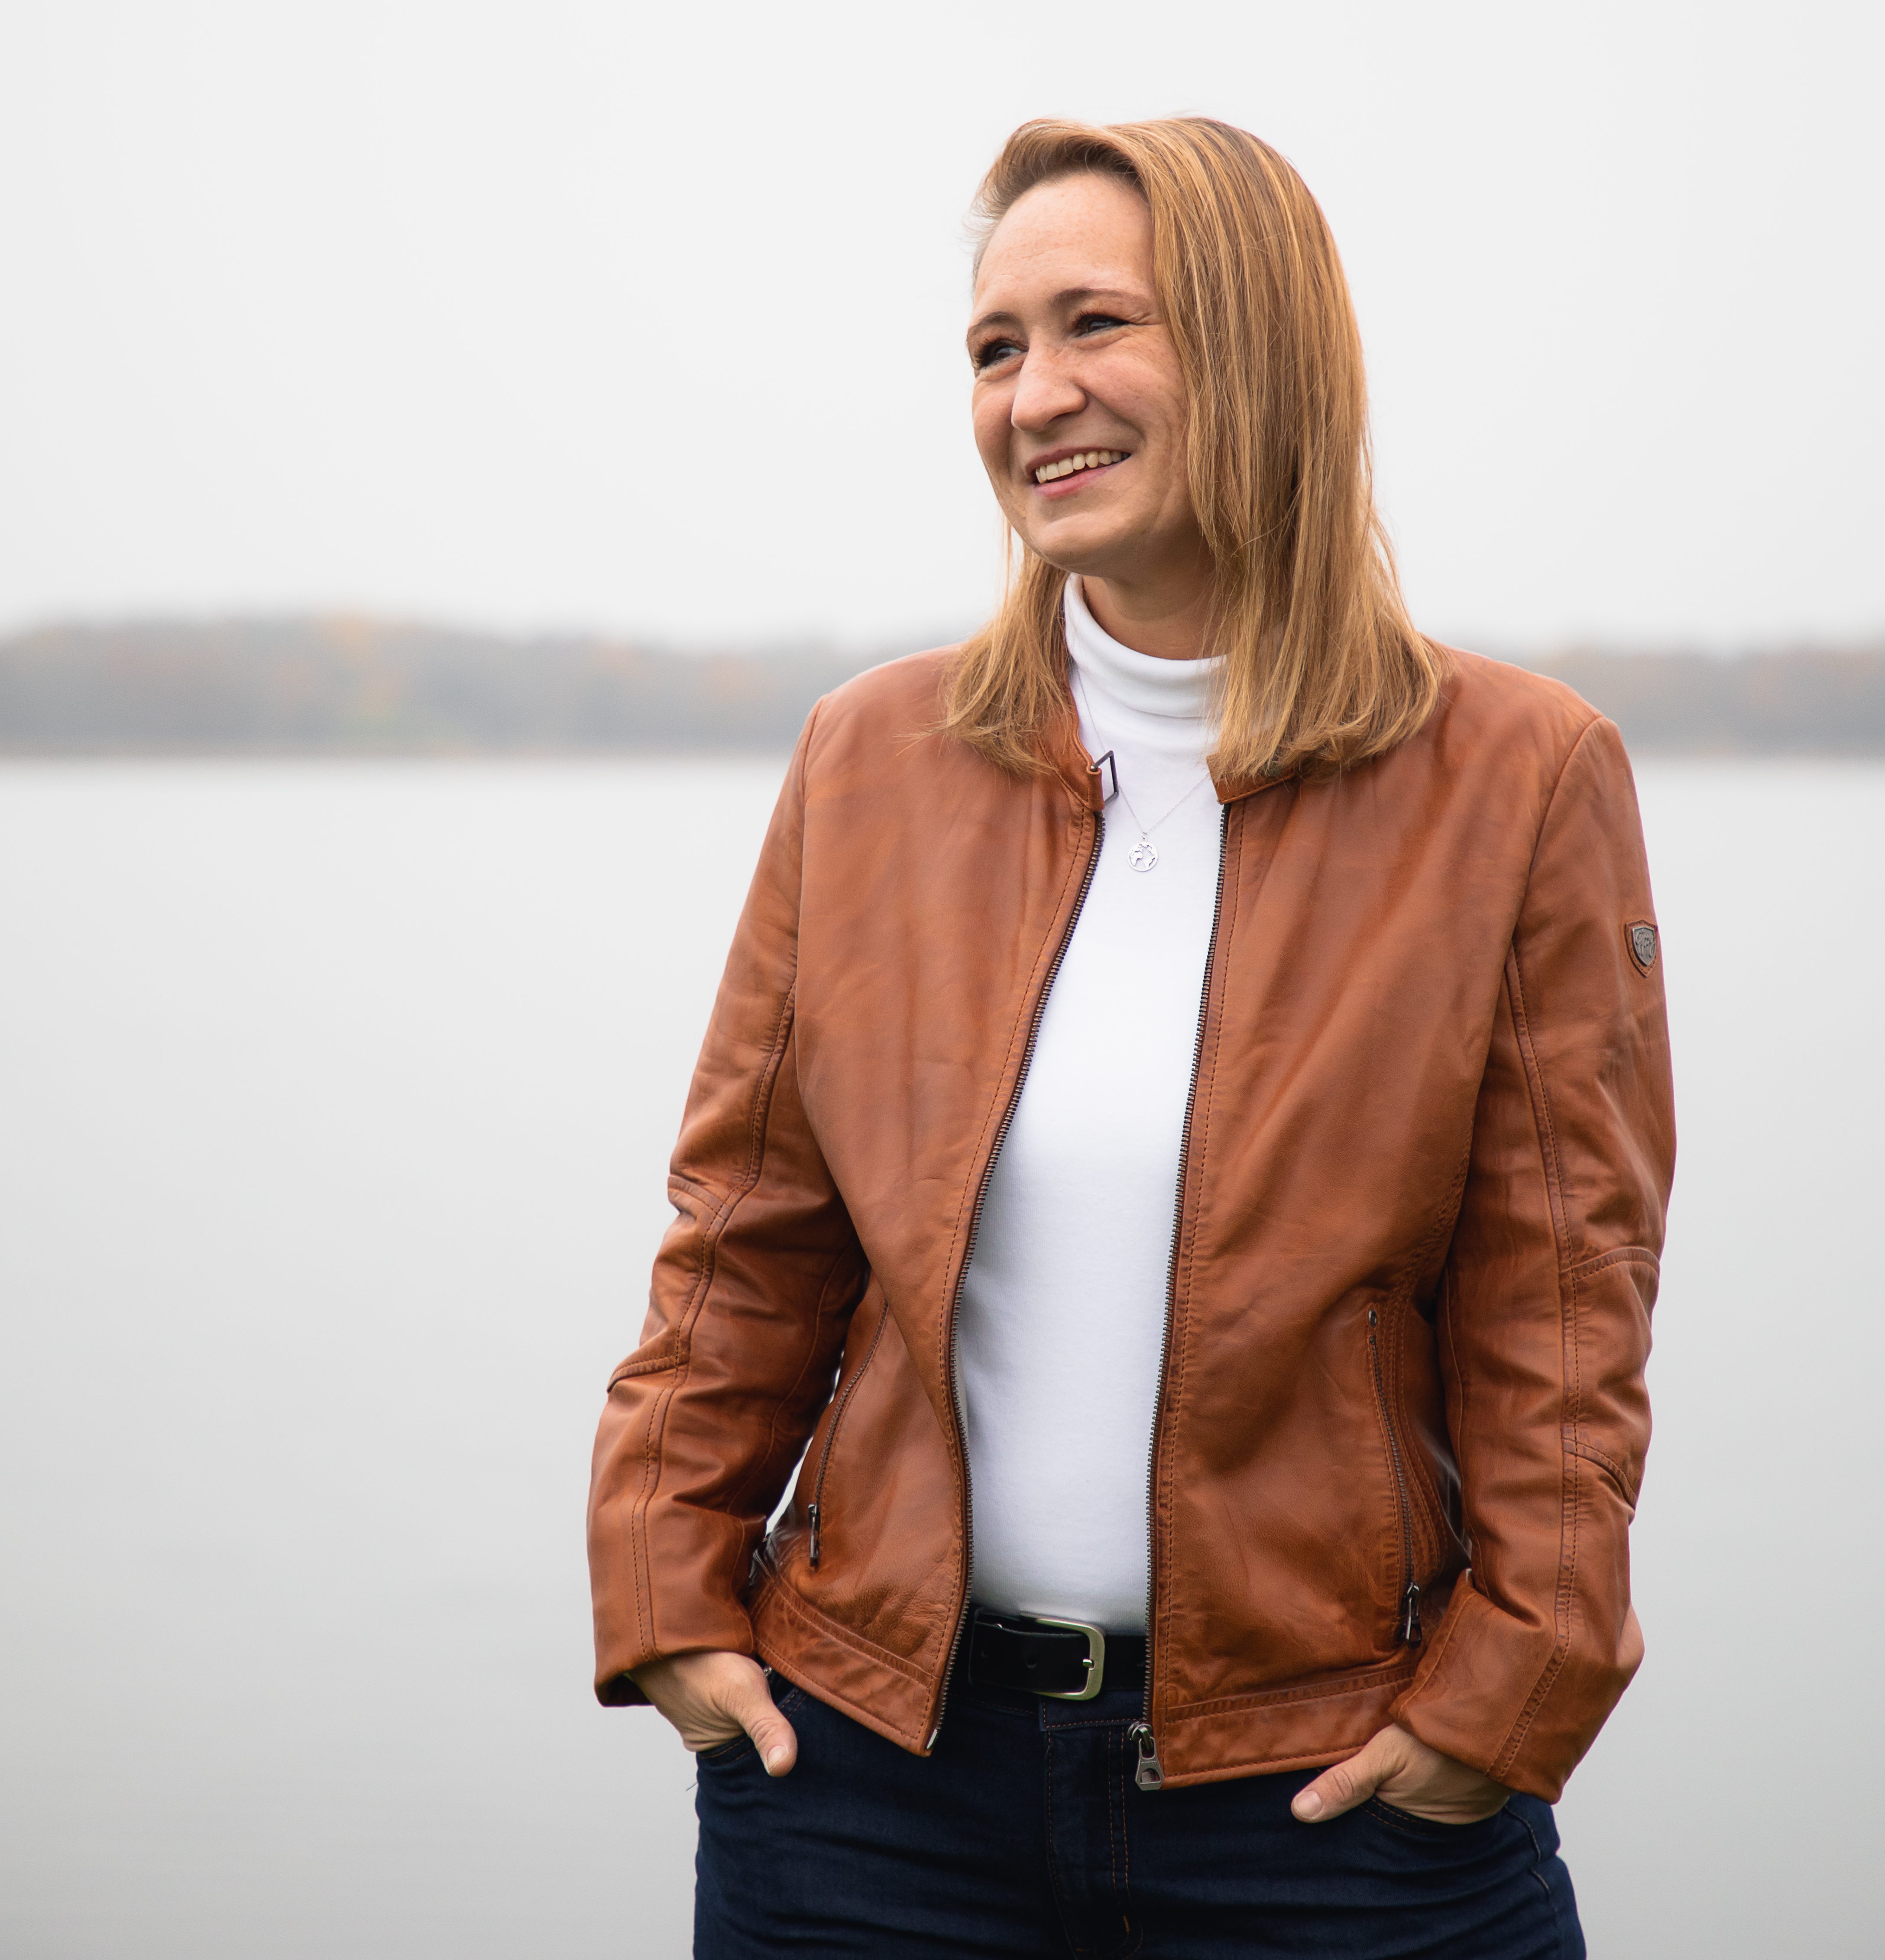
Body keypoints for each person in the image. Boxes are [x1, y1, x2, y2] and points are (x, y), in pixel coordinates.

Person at [587, 115, 1674, 1959]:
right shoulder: (870, 760)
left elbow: (1564, 1306)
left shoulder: (1518, 776)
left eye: (1096, 324)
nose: (1034, 397)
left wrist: (1510, 1693)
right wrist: (665, 1595)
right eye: (993, 348)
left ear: (1259, 345)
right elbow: (743, 1237)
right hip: (865, 1798)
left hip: (1334, 1807)